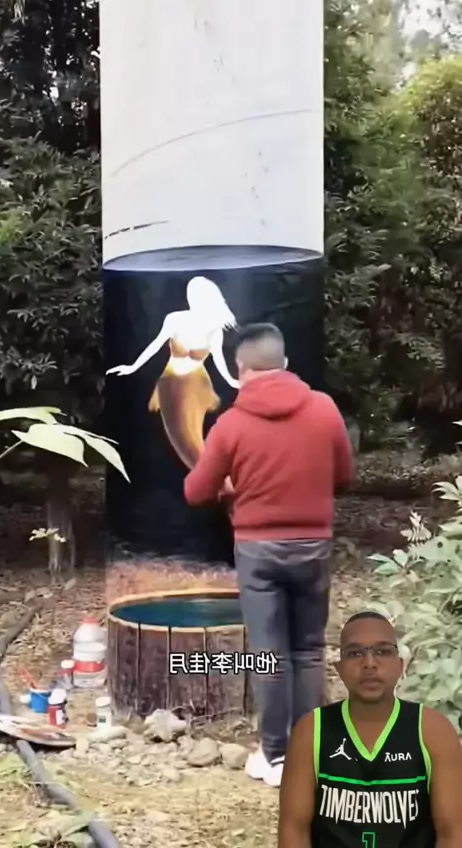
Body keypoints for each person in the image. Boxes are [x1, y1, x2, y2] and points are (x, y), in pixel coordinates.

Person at [184, 322, 353, 786]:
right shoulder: (323, 409)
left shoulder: (231, 424)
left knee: (269, 655)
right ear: (285, 363)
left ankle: (276, 756)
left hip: (257, 552)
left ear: (240, 369)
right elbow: (345, 476)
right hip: (313, 546)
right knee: (309, 650)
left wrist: (229, 487)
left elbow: (195, 491)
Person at [278, 610, 462, 848]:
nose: (369, 663)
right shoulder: (311, 730)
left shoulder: (433, 731)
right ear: (340, 668)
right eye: (355, 653)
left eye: (382, 651)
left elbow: (452, 835)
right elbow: (294, 831)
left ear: (400, 666)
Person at [106, 276, 239, 469]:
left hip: (196, 384)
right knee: (178, 436)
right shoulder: (175, 319)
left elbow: (218, 358)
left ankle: (213, 475)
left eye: (197, 295)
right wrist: (133, 367)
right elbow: (155, 345)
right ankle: (209, 475)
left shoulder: (214, 329)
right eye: (190, 293)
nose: (192, 298)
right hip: (169, 382)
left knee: (193, 436)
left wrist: (231, 380)